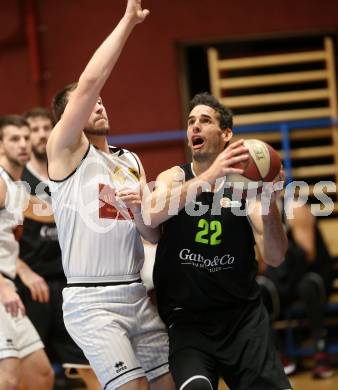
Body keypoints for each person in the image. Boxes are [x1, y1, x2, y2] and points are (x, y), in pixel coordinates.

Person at [46, 1, 174, 390]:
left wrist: (141, 210)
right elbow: (89, 82)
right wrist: (128, 22)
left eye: (102, 101)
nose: (98, 103)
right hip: (92, 301)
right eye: (90, 102)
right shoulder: (66, 151)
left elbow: (151, 235)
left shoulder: (130, 160)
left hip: (136, 293)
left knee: (170, 385)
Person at [147, 92, 292, 390]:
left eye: (205, 120)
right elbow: (150, 215)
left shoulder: (245, 188)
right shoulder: (173, 178)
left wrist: (267, 202)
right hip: (187, 321)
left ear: (226, 134)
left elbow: (275, 257)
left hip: (242, 317)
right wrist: (211, 176)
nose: (194, 127)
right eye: (190, 122)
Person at [15, 107, 101, 389]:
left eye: (45, 128)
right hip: (31, 288)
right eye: (34, 130)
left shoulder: (65, 172)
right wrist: (24, 272)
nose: (41, 135)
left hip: (69, 284)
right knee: (33, 372)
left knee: (84, 367)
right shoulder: (15, 179)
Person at [0, 115, 54, 390]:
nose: (23, 143)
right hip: (1, 290)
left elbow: (52, 213)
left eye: (25, 137)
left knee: (40, 373)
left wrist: (103, 206)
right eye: (14, 138)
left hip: (7, 288)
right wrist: (3, 288)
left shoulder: (14, 188)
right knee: (7, 376)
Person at [258, 197, 334, 379]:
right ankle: (278, 354)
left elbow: (308, 254)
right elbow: (263, 265)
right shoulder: (256, 213)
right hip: (282, 277)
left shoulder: (295, 208)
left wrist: (278, 239)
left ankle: (320, 351)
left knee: (308, 285)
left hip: (309, 272)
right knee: (260, 288)